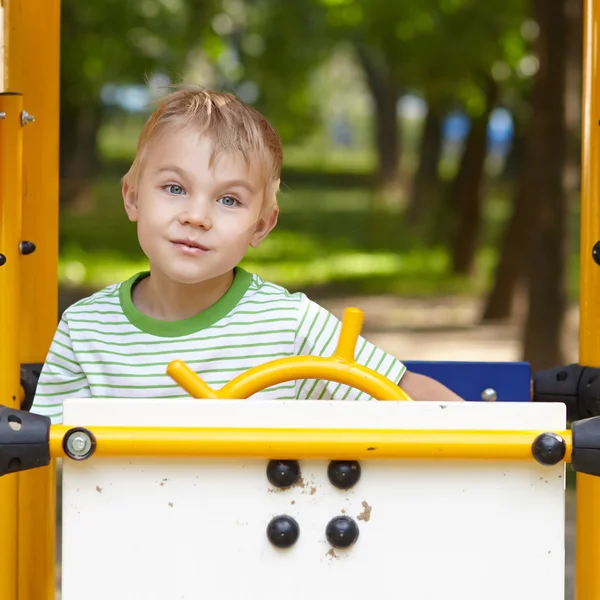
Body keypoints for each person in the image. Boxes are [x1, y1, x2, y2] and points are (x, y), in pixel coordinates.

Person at [31, 87, 462, 424]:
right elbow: (47, 457)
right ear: (132, 198)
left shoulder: (290, 324)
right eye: (175, 189)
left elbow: (400, 391)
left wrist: (507, 444)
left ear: (261, 226)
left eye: (229, 201)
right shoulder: (86, 330)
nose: (197, 216)